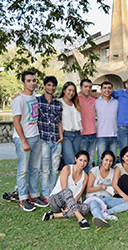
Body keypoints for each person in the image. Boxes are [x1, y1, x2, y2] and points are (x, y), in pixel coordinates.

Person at [12, 70, 48, 211]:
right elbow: (16, 122)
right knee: (22, 170)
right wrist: (24, 141)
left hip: (36, 137)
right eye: (29, 80)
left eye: (34, 80)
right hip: (23, 139)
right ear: (23, 82)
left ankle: (34, 195)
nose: (32, 83)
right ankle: (23, 199)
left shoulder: (33, 96)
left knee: (34, 169)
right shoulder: (18, 100)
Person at [42, 151, 90, 230]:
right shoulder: (67, 169)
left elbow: (79, 194)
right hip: (56, 201)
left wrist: (71, 204)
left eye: (85, 161)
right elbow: (64, 190)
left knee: (85, 208)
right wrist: (70, 204)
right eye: (80, 160)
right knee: (67, 191)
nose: (82, 163)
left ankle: (54, 215)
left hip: (71, 203)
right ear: (76, 159)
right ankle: (81, 219)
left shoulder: (86, 176)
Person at [86, 150, 128, 227]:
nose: (108, 163)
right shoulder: (94, 171)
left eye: (111, 161)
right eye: (106, 160)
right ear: (102, 159)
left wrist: (114, 191)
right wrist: (100, 187)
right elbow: (88, 189)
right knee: (95, 206)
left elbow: (114, 185)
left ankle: (107, 212)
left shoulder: (113, 172)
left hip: (107, 199)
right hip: (94, 197)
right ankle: (100, 219)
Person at [37, 76, 63, 204]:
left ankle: (53, 192)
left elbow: (59, 122)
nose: (51, 87)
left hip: (56, 140)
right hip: (43, 140)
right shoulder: (37, 101)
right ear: (44, 86)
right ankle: (46, 194)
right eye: (49, 85)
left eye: (53, 85)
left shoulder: (58, 103)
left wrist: (61, 136)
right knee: (45, 169)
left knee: (54, 168)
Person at [59, 82, 82, 166]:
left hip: (77, 134)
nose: (71, 93)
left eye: (73, 91)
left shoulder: (75, 103)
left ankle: (75, 179)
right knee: (70, 161)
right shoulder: (59, 102)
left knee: (77, 161)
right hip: (66, 135)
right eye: (69, 90)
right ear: (64, 90)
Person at [95, 81, 118, 166]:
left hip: (114, 135)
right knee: (101, 160)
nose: (107, 90)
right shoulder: (96, 102)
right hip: (101, 135)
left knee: (113, 160)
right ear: (101, 90)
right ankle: (98, 179)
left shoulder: (116, 102)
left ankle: (112, 179)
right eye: (104, 88)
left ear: (112, 90)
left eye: (109, 88)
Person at [78, 79, 97, 173]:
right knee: (81, 162)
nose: (88, 89)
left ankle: (88, 185)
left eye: (90, 87)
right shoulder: (76, 99)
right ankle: (80, 184)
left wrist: (90, 94)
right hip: (82, 135)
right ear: (80, 87)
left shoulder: (94, 100)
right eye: (85, 86)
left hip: (93, 134)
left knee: (90, 161)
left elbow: (103, 94)